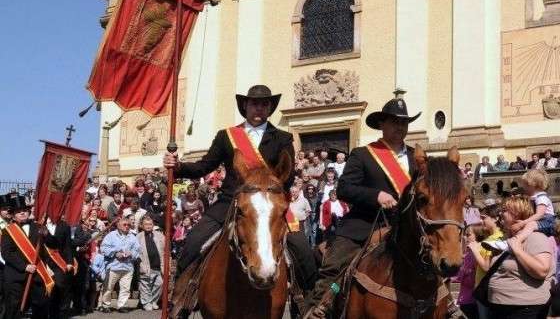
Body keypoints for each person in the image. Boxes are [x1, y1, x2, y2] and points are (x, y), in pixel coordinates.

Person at [164, 85, 317, 293]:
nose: (259, 108)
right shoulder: (227, 136)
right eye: (254, 104)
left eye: (264, 104)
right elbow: (205, 165)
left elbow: (287, 176)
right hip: (230, 201)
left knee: (303, 252)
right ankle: (180, 298)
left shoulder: (283, 138)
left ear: (270, 108)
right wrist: (179, 166)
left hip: (269, 204)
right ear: (245, 105)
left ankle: (305, 302)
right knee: (193, 242)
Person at [304, 91, 420, 317]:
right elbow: (345, 188)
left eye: (404, 122)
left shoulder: (417, 157)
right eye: (394, 122)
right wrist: (376, 195)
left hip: (405, 228)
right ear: (382, 124)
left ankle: (449, 306)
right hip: (365, 226)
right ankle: (321, 306)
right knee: (337, 268)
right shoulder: (363, 154)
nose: (400, 127)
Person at [487, 195, 554, 318]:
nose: (501, 213)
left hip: (524, 309)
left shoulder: (536, 237)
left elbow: (542, 270)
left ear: (517, 213)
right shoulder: (505, 240)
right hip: (499, 307)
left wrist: (517, 250)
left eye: (505, 210)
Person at [1, 196, 51, 319]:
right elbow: (7, 253)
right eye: (18, 211)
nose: (22, 213)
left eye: (24, 210)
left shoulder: (39, 227)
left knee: (40, 307)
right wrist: (25, 266)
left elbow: (50, 247)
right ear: (13, 215)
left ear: (29, 212)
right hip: (16, 276)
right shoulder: (8, 231)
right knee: (14, 309)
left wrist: (47, 235)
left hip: (37, 275)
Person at [486, 169, 556, 253]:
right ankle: (508, 241)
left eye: (525, 185)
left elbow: (539, 215)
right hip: (541, 221)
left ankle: (514, 242)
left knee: (530, 225)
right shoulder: (535, 197)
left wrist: (523, 223)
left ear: (532, 185)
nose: (523, 188)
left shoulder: (541, 198)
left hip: (547, 222)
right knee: (525, 225)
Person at [468, 204, 504, 319]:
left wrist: (474, 250)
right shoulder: (490, 238)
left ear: (495, 218)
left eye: (484, 217)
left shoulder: (497, 239)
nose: (481, 220)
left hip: (487, 291)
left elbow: (487, 267)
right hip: (482, 289)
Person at [99, 217, 140, 312]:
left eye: (128, 225)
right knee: (108, 287)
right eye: (124, 225)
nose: (127, 226)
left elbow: (138, 250)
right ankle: (106, 305)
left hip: (127, 267)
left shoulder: (133, 237)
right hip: (114, 266)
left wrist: (131, 253)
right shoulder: (111, 236)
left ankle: (122, 305)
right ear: (118, 225)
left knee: (125, 288)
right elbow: (103, 248)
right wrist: (115, 253)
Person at [454, 224, 490, 319]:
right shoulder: (468, 252)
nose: (465, 237)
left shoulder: (477, 252)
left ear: (478, 235)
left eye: (468, 234)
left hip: (472, 299)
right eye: (464, 234)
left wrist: (458, 276)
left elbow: (470, 277)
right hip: (466, 298)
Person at [44, 216, 74, 319]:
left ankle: (58, 314)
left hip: (59, 262)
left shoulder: (64, 226)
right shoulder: (37, 224)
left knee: (59, 287)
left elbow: (68, 245)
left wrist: (69, 262)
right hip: (41, 262)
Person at [137, 216, 164, 311]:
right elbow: (136, 253)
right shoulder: (138, 237)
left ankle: (153, 301)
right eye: (146, 224)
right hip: (145, 265)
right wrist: (141, 265)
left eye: (150, 224)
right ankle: (146, 302)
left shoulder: (159, 235)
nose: (148, 226)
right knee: (145, 286)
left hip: (158, 266)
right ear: (142, 225)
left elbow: (165, 250)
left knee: (159, 284)